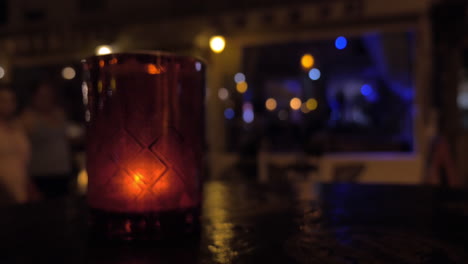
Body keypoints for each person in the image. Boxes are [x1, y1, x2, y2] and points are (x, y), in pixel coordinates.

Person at [22, 82, 73, 199]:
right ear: (33, 97)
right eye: (42, 96)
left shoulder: (59, 113)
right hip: (41, 172)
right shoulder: (28, 118)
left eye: (49, 96)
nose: (46, 99)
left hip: (62, 171)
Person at [0, 84, 31, 205]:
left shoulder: (19, 126)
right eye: (3, 100)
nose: (8, 105)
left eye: (11, 100)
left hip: (21, 189)